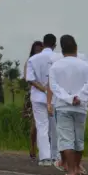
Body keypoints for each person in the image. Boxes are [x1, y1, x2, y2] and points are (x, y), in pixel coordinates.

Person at [49, 34, 88, 175]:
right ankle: (77, 166)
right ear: (76, 47)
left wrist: (69, 98)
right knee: (78, 138)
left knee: (66, 138)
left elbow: (54, 87)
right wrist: (79, 97)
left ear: (62, 50)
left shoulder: (56, 66)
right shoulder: (84, 65)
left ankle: (71, 171)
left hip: (63, 106)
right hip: (81, 106)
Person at [26, 34, 58, 166]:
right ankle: (56, 156)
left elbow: (30, 79)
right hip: (55, 97)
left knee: (42, 126)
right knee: (55, 127)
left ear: (43, 44)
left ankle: (45, 157)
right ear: (55, 45)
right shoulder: (59, 58)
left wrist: (44, 89)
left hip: (38, 97)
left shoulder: (33, 59)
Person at [22, 41, 43, 160]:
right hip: (34, 94)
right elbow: (27, 78)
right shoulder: (30, 61)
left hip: (46, 93)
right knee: (35, 124)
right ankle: (32, 147)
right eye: (36, 50)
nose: (38, 52)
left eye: (40, 49)